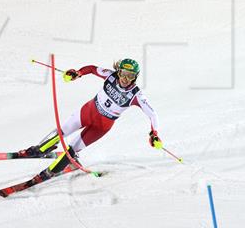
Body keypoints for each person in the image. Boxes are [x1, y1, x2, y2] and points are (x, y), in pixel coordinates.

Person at [21, 58, 162, 180]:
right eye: (123, 74)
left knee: (73, 148)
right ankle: (39, 149)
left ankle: (50, 172)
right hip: (88, 111)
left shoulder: (136, 95)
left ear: (135, 77)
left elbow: (152, 114)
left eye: (130, 76)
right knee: (61, 132)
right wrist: (78, 73)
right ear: (119, 72)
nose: (125, 79)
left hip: (101, 126)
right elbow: (92, 69)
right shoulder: (110, 76)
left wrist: (154, 134)